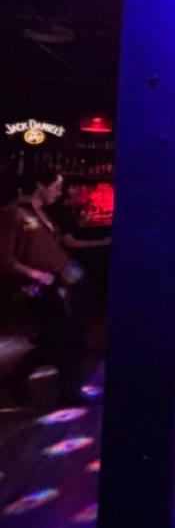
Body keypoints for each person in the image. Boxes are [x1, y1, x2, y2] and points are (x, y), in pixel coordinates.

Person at [0, 166, 86, 404]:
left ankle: (15, 379)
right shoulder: (12, 214)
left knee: (53, 339)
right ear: (40, 185)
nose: (59, 193)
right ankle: (69, 394)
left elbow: (50, 250)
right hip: (33, 288)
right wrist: (36, 274)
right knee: (68, 338)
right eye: (56, 187)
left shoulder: (42, 213)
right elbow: (4, 259)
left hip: (55, 284)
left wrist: (72, 275)